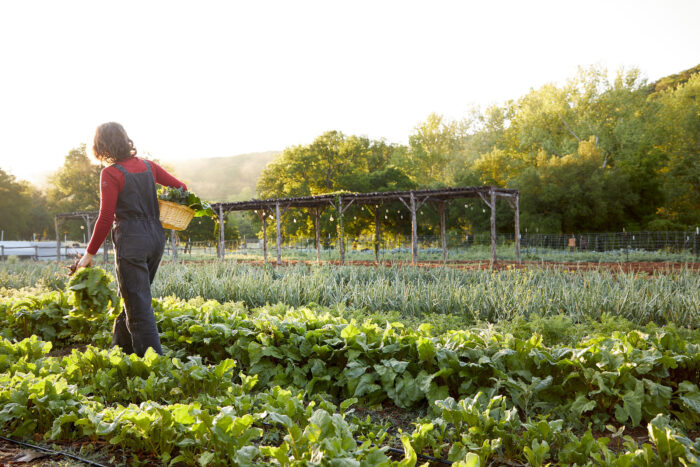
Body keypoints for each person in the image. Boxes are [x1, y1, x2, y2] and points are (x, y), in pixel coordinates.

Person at [77, 122, 187, 357]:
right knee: (135, 297)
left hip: (132, 241)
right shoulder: (149, 167)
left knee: (138, 308)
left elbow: (106, 217)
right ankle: (120, 352)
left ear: (101, 146)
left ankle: (153, 366)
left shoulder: (111, 173)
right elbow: (182, 188)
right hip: (156, 238)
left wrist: (88, 254)